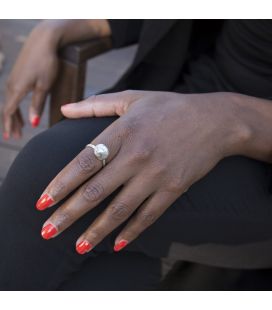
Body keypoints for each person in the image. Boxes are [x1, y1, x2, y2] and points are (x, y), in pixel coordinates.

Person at [1, 19, 272, 290]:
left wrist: (232, 117)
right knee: (100, 250)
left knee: (48, 179)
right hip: (189, 91)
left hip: (259, 152)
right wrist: (64, 26)